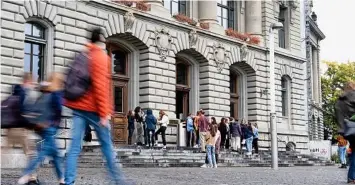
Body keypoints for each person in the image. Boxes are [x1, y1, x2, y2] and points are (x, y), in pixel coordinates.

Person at [64, 28, 127, 185]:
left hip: (77, 107)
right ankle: (118, 181)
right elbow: (100, 87)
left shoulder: (84, 53)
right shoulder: (100, 57)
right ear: (101, 40)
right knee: (107, 147)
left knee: (73, 148)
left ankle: (68, 181)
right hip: (94, 110)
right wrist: (104, 113)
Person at [17, 73, 65, 185]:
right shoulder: (56, 93)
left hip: (40, 127)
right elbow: (58, 109)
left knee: (56, 154)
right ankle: (26, 173)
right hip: (50, 127)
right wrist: (55, 122)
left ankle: (62, 179)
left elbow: (35, 106)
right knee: (42, 153)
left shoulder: (43, 90)